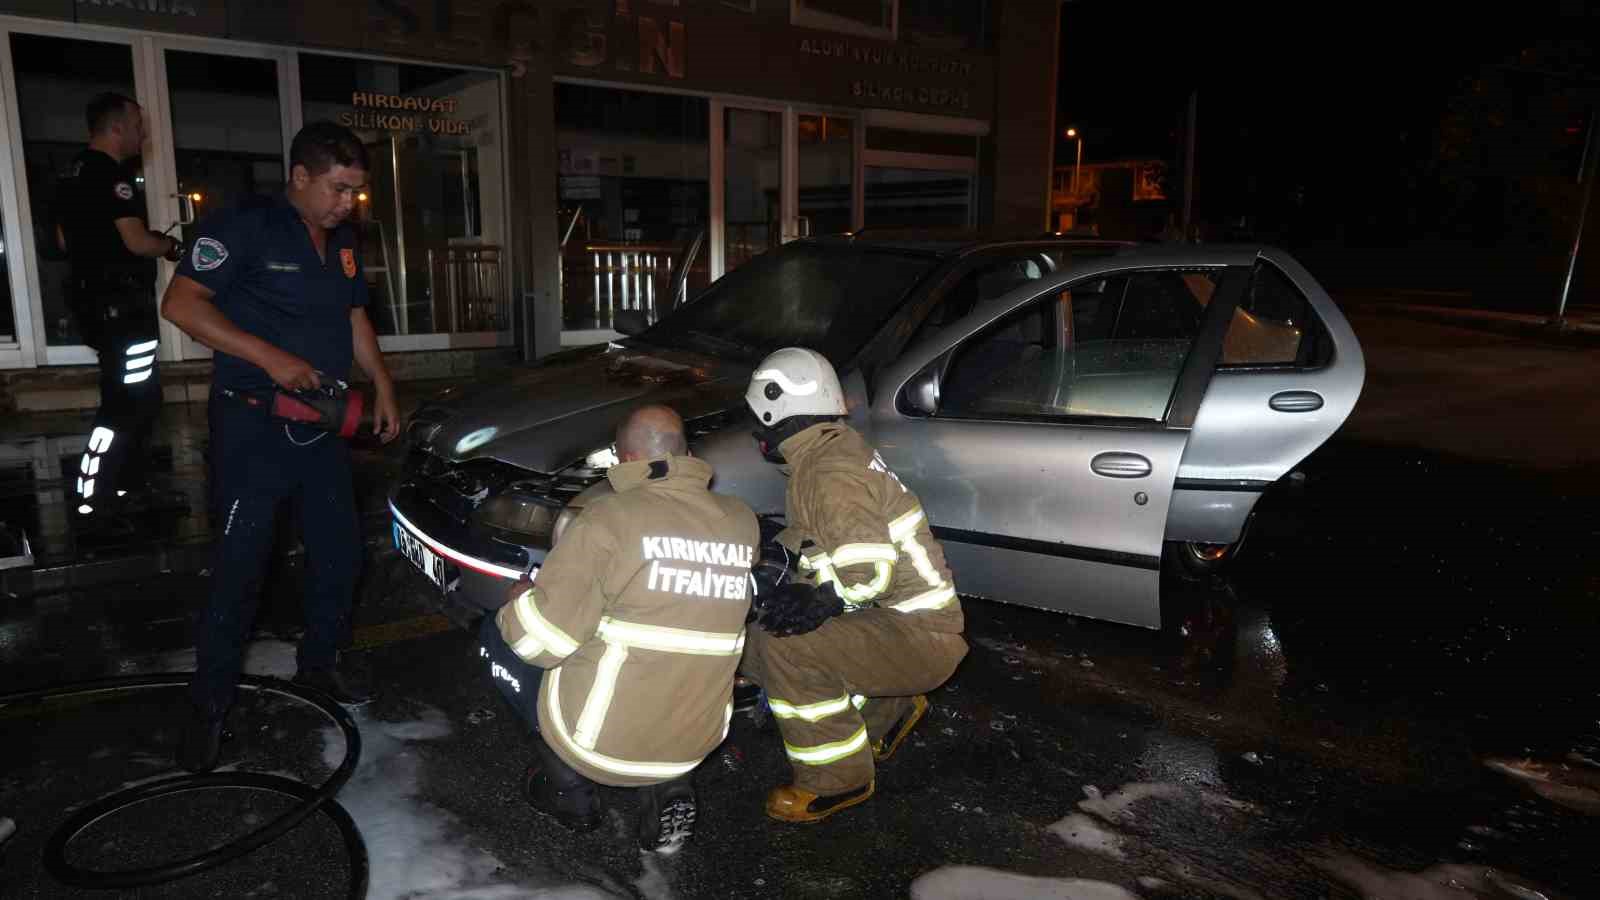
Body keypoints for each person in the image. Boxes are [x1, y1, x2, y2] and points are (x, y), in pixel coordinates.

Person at [161, 121, 401, 773]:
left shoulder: (344, 241)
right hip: (253, 427)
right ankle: (208, 709)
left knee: (340, 556)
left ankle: (319, 667)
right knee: (240, 570)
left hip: (320, 426)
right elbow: (180, 304)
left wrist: (381, 384)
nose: (347, 202)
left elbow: (355, 316)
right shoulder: (243, 225)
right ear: (299, 176)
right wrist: (270, 358)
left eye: (355, 190)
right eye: (338, 188)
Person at [477, 404, 758, 852]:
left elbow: (542, 642)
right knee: (669, 644)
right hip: (696, 741)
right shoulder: (741, 521)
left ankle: (569, 791)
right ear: (685, 452)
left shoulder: (608, 518)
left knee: (500, 636)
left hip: (597, 746)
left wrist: (519, 601)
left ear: (625, 460)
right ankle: (669, 785)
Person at [739, 347, 968, 824]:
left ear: (773, 409)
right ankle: (891, 709)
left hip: (917, 633)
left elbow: (869, 572)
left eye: (756, 420)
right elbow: (827, 540)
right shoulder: (827, 454)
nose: (754, 432)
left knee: (789, 649)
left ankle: (836, 783)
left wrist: (822, 598)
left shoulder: (828, 471)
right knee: (765, 637)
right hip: (910, 624)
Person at [55, 93, 185, 526]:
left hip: (94, 304)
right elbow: (136, 241)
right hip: (122, 308)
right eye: (138, 125)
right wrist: (170, 245)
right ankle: (95, 495)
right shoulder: (111, 176)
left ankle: (128, 486)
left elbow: (60, 240)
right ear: (116, 128)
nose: (142, 134)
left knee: (136, 398)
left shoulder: (71, 172)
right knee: (127, 403)